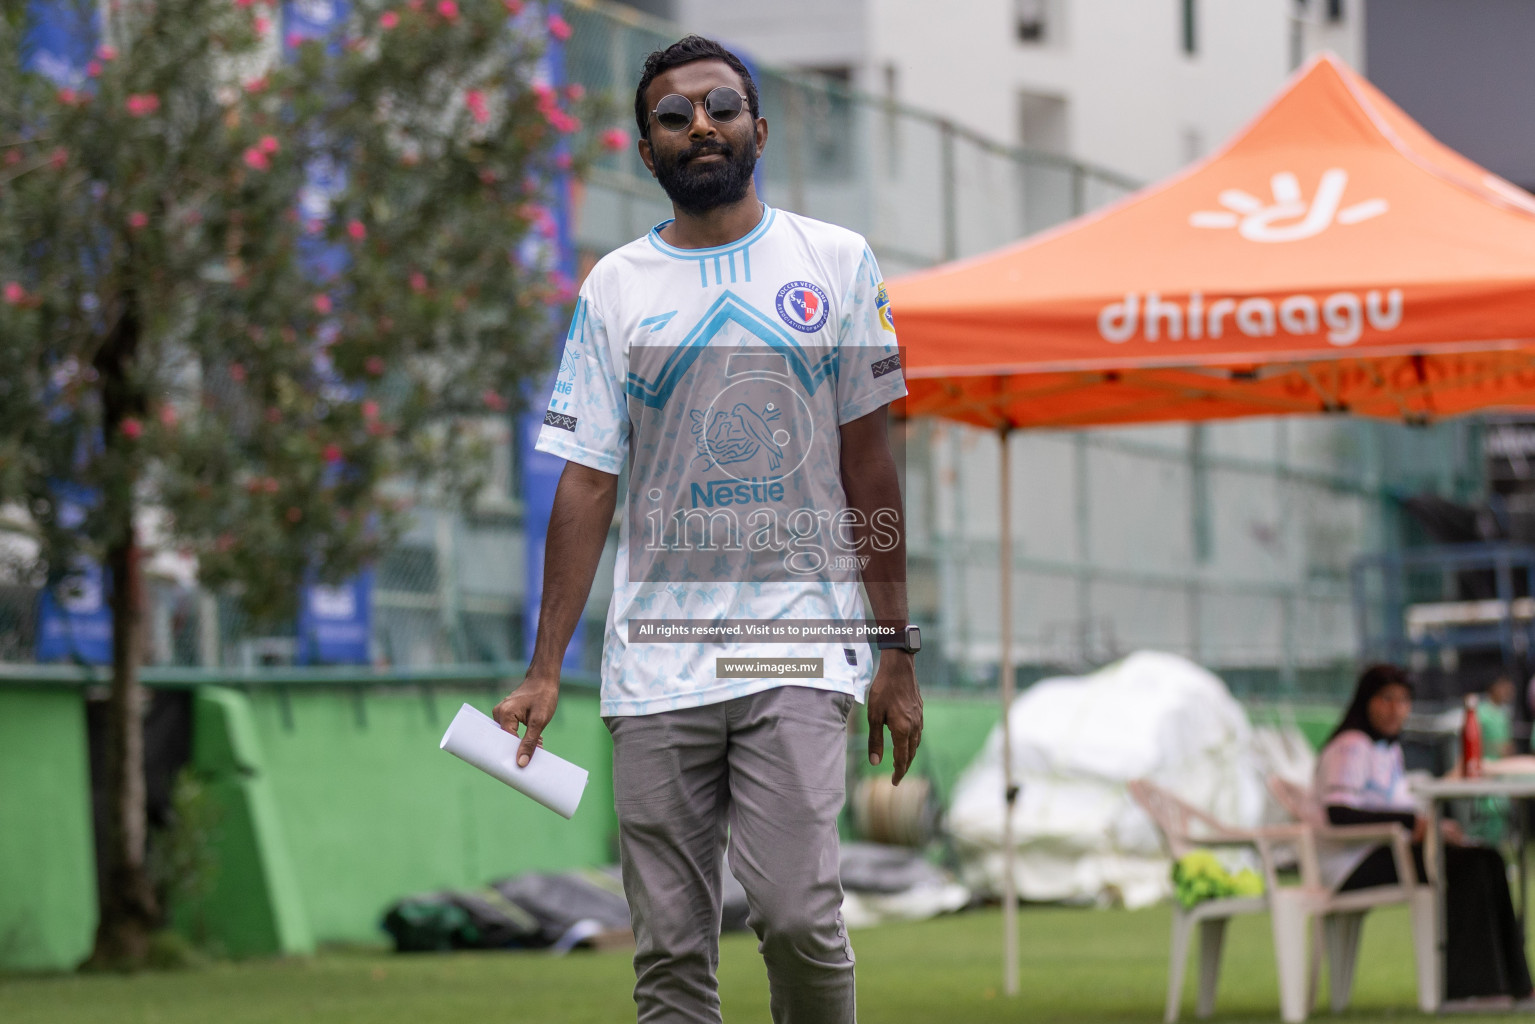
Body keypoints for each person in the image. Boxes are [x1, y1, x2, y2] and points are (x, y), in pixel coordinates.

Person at [493, 35, 922, 1024]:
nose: (700, 126)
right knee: (672, 955)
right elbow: (587, 479)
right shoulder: (614, 288)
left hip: (801, 646)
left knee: (794, 912)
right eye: (673, 115)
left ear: (757, 129)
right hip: (655, 665)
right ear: (644, 151)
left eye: (719, 107)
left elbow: (870, 466)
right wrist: (545, 664)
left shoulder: (837, 262)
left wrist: (895, 649)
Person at [1314, 664, 1531, 1002]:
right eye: (1386, 699)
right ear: (1365, 701)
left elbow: (1403, 808)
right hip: (1352, 863)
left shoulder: (1388, 749)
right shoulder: (1351, 746)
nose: (1395, 710)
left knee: (1487, 858)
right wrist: (1412, 824)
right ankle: (1471, 990)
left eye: (1403, 701)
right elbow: (1338, 814)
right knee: (1469, 867)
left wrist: (1434, 828)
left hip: (1386, 852)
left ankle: (1516, 985)